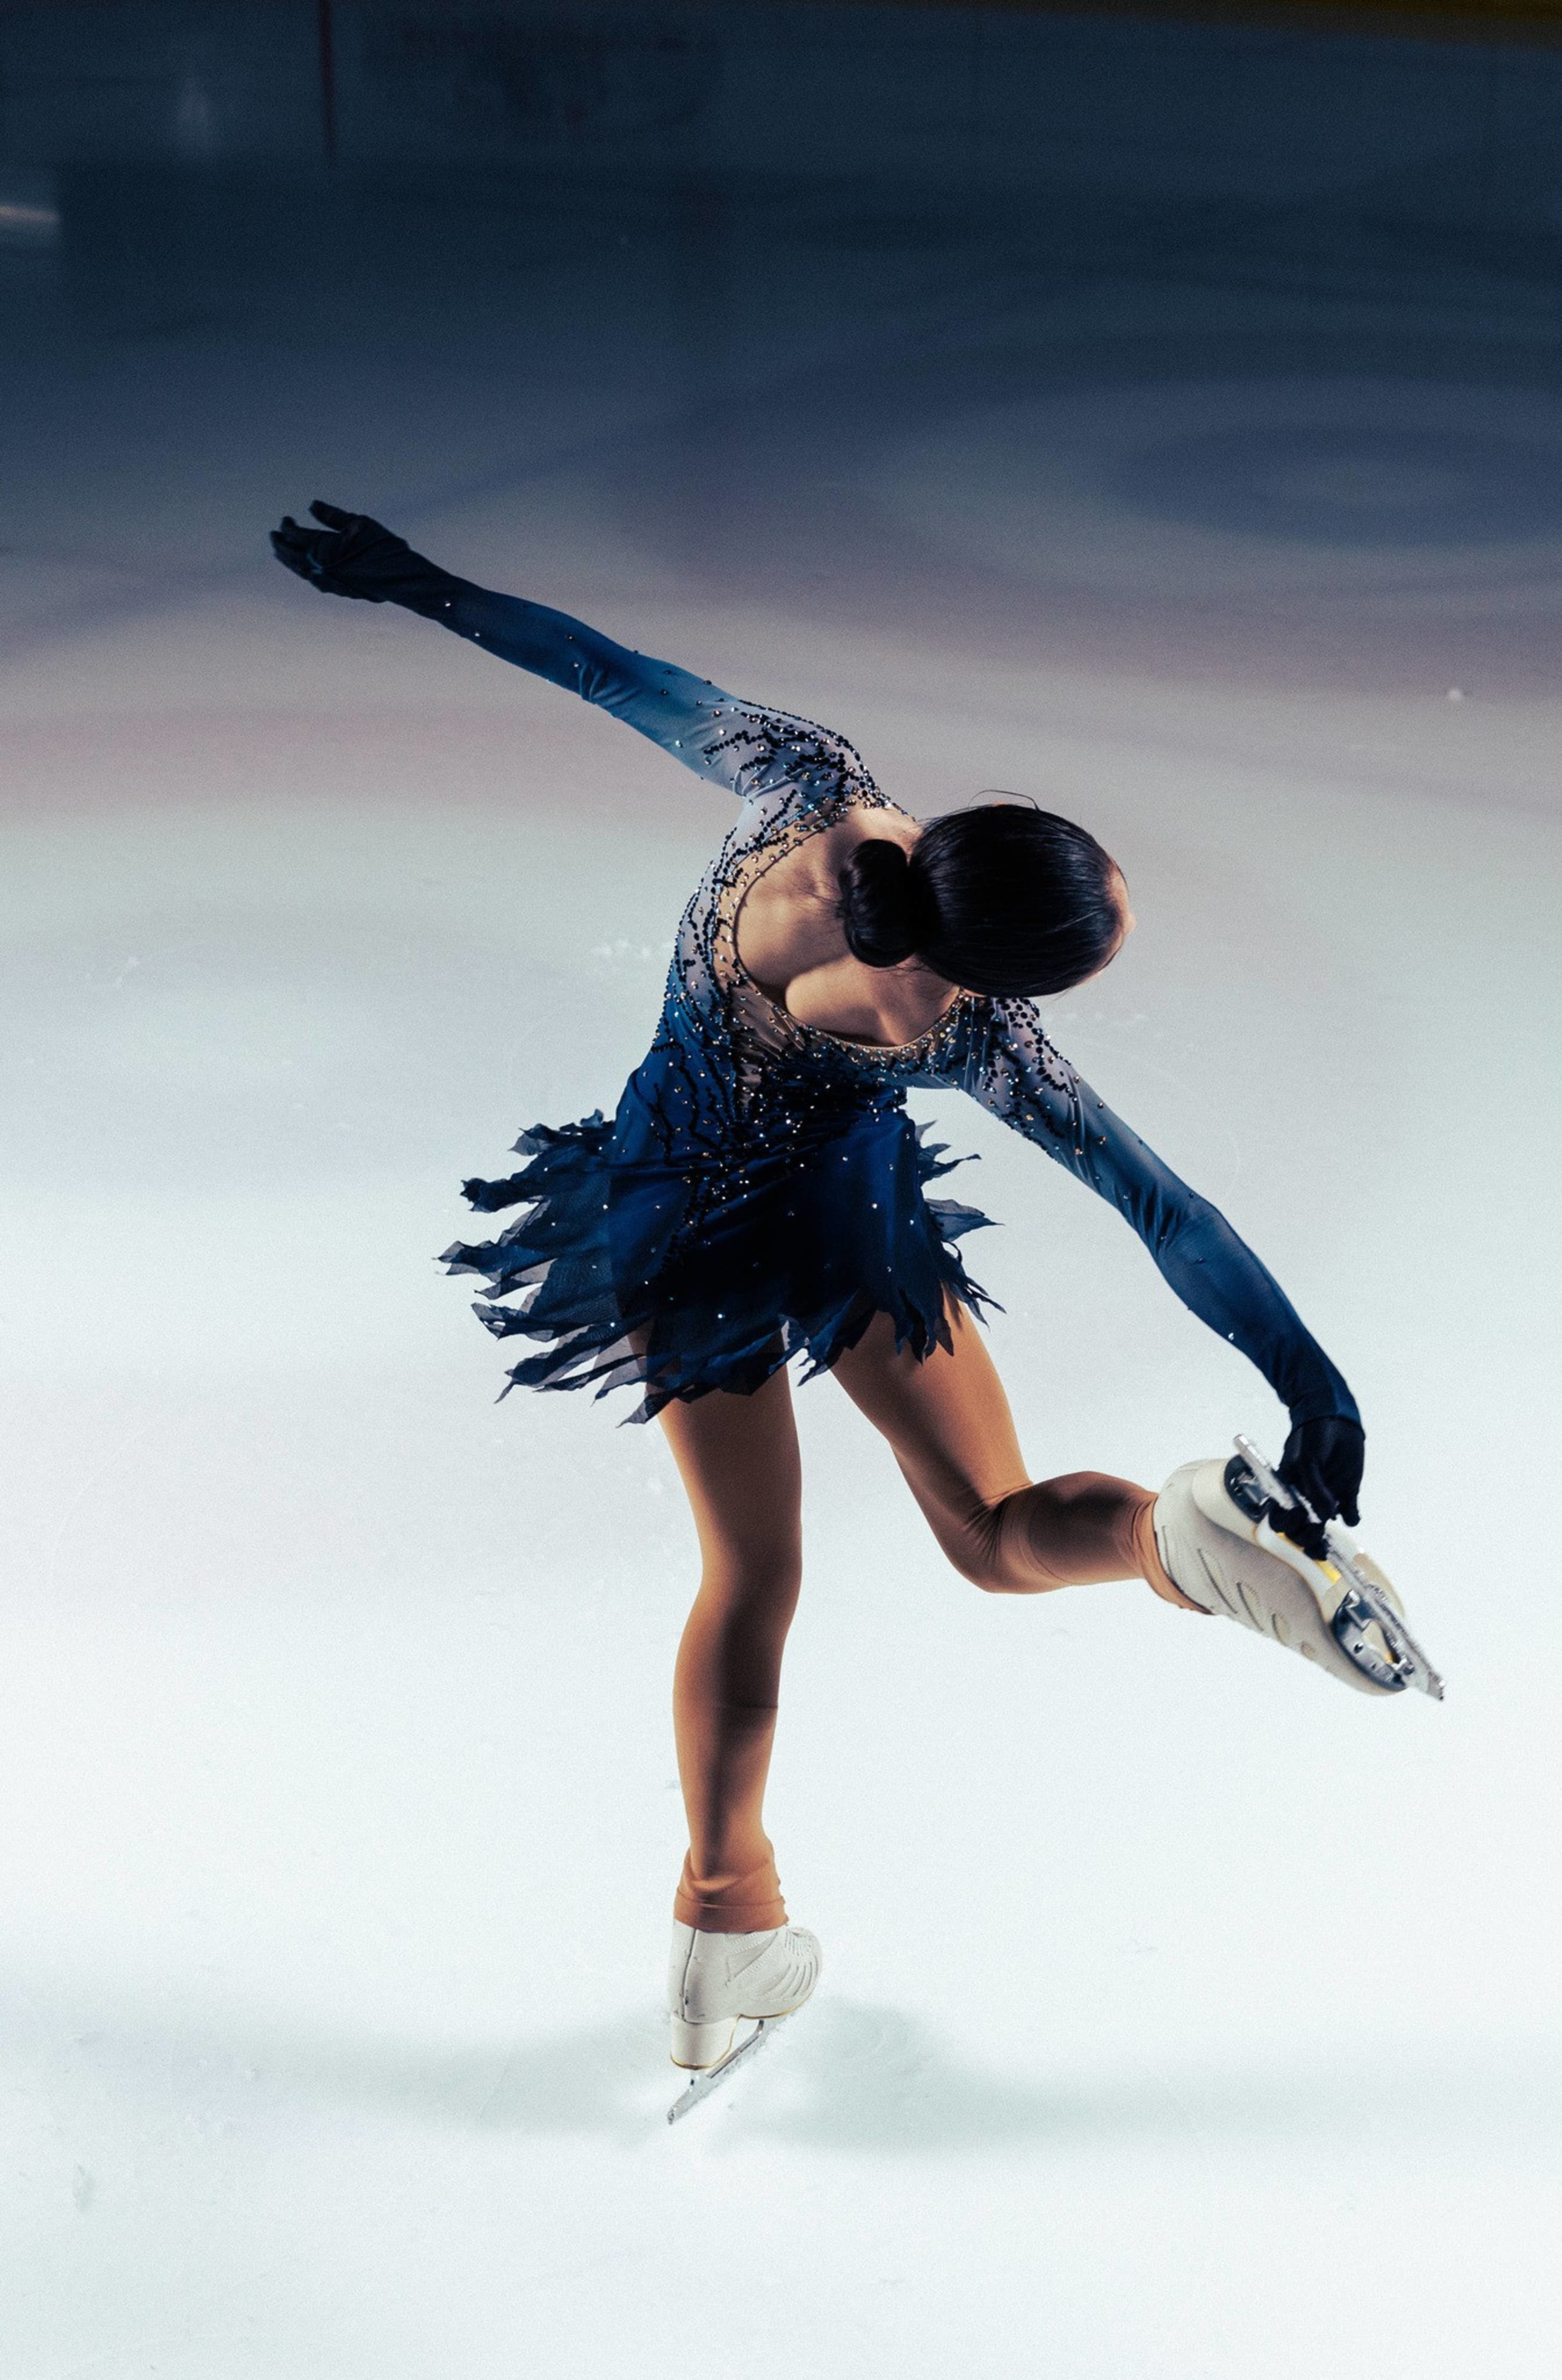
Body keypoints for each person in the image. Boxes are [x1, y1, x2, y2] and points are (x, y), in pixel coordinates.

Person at [271, 501, 1418, 2078]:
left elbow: (606, 670)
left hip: (679, 1224)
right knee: (996, 1534)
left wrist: (421, 585)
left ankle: (721, 1923)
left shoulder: (809, 785)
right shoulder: (958, 1033)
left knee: (750, 1581)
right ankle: (1184, 1539)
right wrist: (1307, 1375)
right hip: (837, 1220)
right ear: (1001, 964)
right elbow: (1167, 1207)